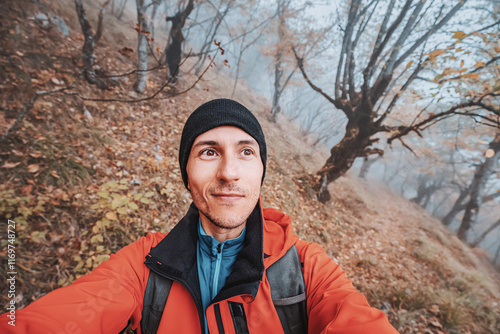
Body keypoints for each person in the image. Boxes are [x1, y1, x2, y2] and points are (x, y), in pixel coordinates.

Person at [0, 98, 398, 333]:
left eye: (246, 152)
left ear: (261, 172)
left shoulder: (307, 268)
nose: (228, 172)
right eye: (208, 151)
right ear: (186, 175)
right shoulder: (145, 264)